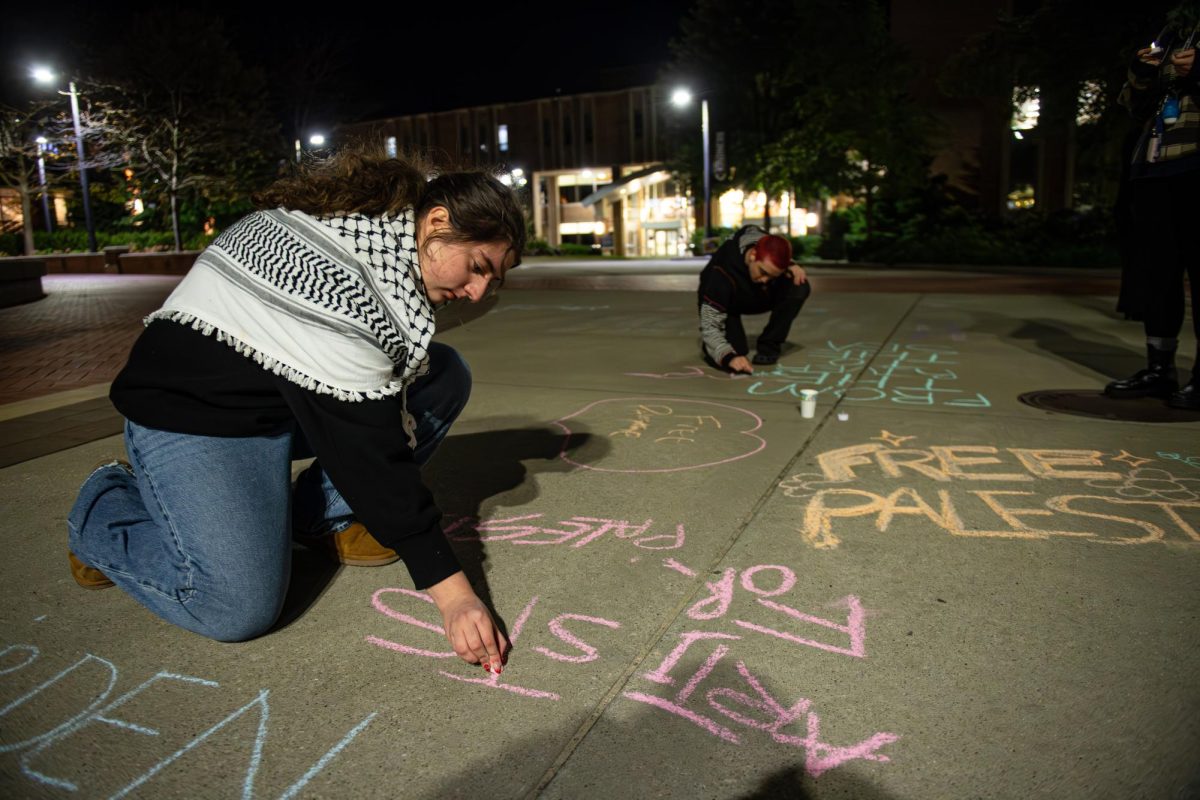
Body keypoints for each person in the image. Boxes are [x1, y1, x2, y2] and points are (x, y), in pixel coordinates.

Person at [67, 144, 523, 674]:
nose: (477, 292)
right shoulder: (334, 271)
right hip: (195, 419)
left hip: (280, 404)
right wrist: (454, 595)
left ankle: (319, 519)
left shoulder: (383, 242)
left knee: (442, 374)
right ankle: (104, 506)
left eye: (493, 281)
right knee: (236, 607)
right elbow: (369, 455)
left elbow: (365, 411)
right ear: (439, 221)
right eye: (477, 268)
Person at [1105, 13, 1200, 410]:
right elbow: (1133, 106)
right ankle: (1159, 368)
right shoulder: (1173, 30)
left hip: (1196, 162)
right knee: (1157, 275)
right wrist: (1140, 72)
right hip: (1154, 166)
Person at [697, 224, 811, 373]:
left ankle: (769, 344)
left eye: (772, 276)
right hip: (726, 301)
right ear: (752, 255)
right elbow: (710, 326)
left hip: (751, 294)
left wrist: (791, 264)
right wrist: (727, 357)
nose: (765, 280)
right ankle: (713, 349)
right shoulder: (721, 273)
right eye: (762, 272)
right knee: (736, 352)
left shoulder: (762, 245)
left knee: (799, 284)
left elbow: (770, 244)